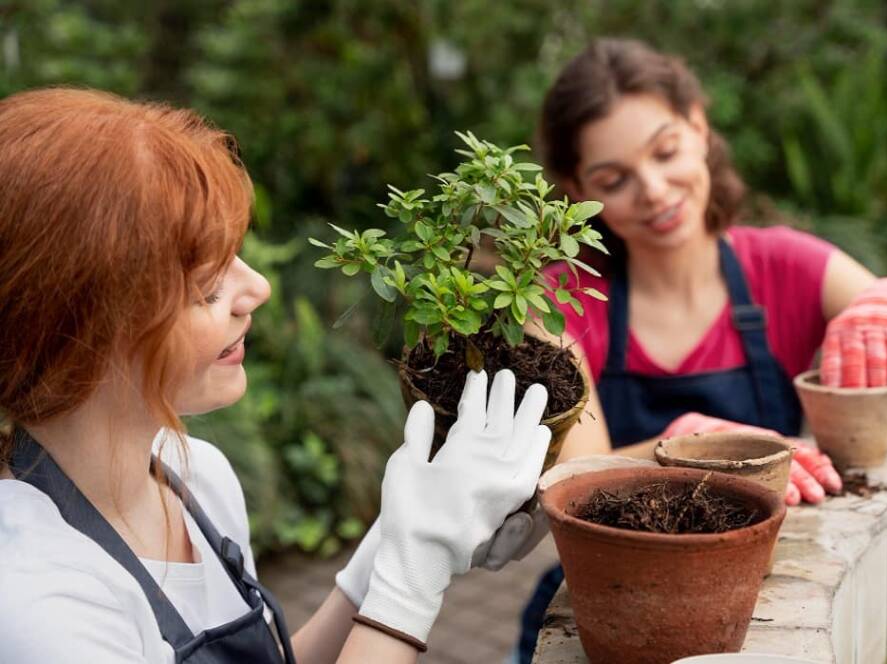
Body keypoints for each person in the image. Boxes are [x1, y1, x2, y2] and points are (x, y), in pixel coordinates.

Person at [0, 88, 552, 664]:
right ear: (78, 329)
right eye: (206, 287)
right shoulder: (36, 600)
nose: (257, 288)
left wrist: (392, 543)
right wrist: (412, 577)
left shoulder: (196, 478)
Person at [514, 37, 887, 662]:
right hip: (603, 608)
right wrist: (679, 451)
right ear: (578, 189)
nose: (654, 190)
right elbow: (573, 478)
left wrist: (879, 307)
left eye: (665, 152)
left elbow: (881, 307)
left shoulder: (786, 266)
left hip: (765, 607)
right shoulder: (559, 304)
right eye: (614, 179)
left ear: (698, 125)